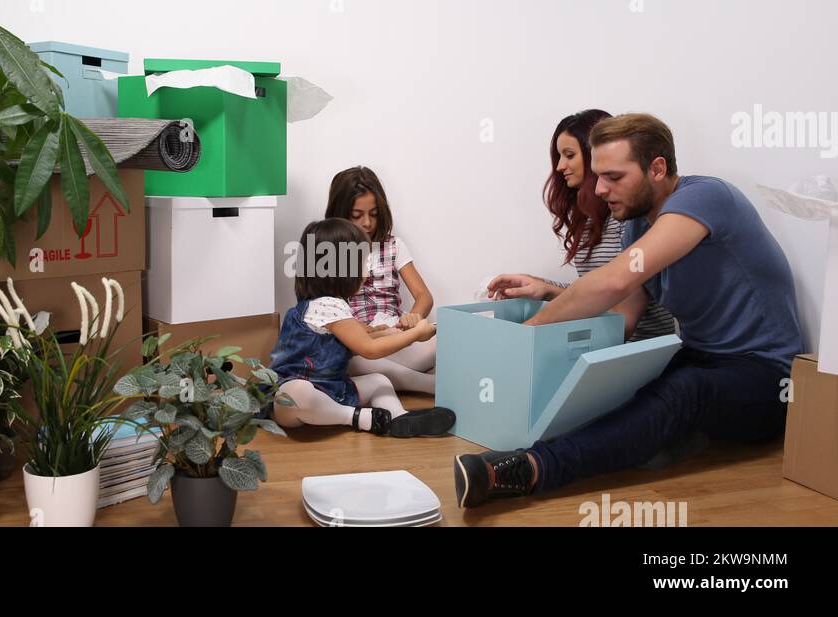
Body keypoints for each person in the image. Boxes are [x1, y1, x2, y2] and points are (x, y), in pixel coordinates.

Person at [455, 114, 803, 508]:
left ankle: (530, 469)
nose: (600, 189)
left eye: (614, 177)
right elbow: (623, 317)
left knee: (683, 392)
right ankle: (639, 439)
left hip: (767, 378)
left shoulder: (707, 198)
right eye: (599, 175)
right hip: (700, 359)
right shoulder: (635, 228)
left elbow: (614, 282)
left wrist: (527, 332)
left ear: (657, 168)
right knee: (627, 383)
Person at [487, 110, 675, 341]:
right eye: (559, 157)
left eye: (569, 155)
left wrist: (525, 333)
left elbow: (621, 316)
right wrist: (543, 287)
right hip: (603, 341)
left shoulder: (633, 220)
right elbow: (593, 296)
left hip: (635, 348)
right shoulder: (588, 222)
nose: (560, 167)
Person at [269, 218, 456, 438]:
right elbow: (369, 350)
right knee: (296, 392)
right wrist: (415, 334)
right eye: (363, 263)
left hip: (332, 389)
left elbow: (361, 333)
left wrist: (386, 331)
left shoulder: (332, 305)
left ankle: (398, 417)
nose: (367, 272)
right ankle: (357, 417)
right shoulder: (327, 305)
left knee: (379, 381)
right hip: (293, 401)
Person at [325, 166, 438, 394]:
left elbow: (424, 296)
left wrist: (414, 317)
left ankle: (395, 377)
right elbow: (326, 311)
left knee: (451, 334)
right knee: (342, 358)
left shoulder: (393, 245)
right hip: (360, 345)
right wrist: (362, 331)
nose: (367, 223)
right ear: (340, 213)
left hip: (396, 338)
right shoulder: (329, 250)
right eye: (357, 216)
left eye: (374, 214)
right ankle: (424, 384)